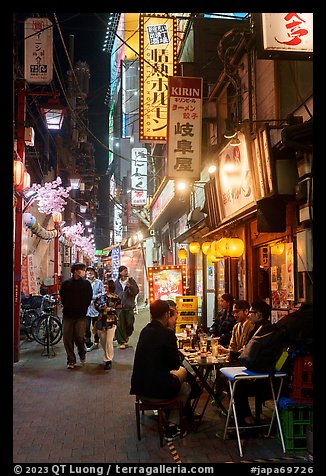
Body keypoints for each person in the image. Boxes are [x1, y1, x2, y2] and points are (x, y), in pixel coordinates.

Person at [130, 299, 191, 439]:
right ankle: (172, 425)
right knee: (185, 383)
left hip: (139, 389)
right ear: (166, 315)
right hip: (157, 391)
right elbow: (175, 364)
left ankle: (169, 415)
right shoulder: (167, 334)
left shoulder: (145, 331)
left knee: (177, 377)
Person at [59, 262, 93, 369]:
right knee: (67, 338)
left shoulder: (86, 284)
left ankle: (82, 352)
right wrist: (68, 306)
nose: (83, 272)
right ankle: (71, 360)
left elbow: (89, 298)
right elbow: (62, 297)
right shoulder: (66, 284)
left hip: (81, 315)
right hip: (68, 315)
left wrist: (83, 308)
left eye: (83, 270)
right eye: (81, 269)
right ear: (75, 271)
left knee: (79, 336)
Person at [94, 279, 122, 370]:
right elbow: (96, 305)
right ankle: (107, 355)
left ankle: (108, 359)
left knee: (108, 340)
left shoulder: (116, 297)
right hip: (101, 320)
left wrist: (110, 309)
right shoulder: (100, 297)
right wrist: (103, 309)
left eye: (107, 286)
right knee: (103, 340)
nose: (105, 287)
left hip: (111, 320)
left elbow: (120, 306)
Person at [114, 265, 139, 349]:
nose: (126, 272)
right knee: (119, 324)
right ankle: (121, 341)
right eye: (124, 271)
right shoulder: (116, 283)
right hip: (119, 307)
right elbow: (113, 293)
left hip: (129, 306)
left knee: (129, 324)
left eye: (127, 270)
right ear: (120, 272)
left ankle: (126, 335)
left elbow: (136, 291)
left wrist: (130, 286)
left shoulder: (131, 281)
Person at [85, 266, 105, 352]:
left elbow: (103, 293)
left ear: (94, 273)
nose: (90, 273)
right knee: (86, 327)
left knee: (96, 326)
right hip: (86, 309)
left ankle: (96, 341)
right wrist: (96, 296)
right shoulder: (84, 283)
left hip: (96, 309)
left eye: (91, 271)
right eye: (88, 271)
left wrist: (95, 297)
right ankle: (88, 343)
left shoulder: (99, 282)